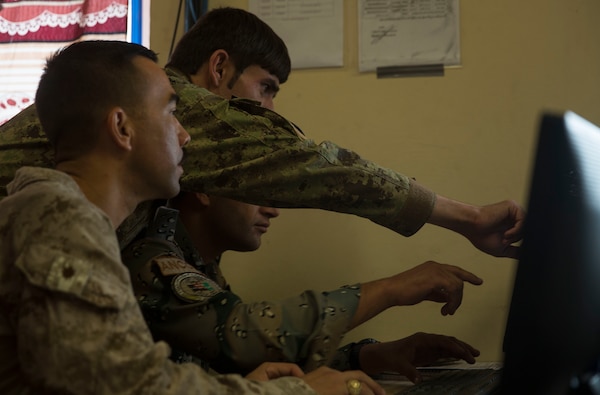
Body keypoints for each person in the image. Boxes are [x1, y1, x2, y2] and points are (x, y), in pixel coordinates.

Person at [0, 40, 385, 395]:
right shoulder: (59, 219)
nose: (185, 136)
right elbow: (132, 387)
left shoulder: (69, 220)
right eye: (171, 112)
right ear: (122, 128)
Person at [0, 8, 524, 262]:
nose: (269, 109)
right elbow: (306, 164)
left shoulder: (161, 158)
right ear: (220, 68)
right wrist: (467, 217)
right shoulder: (166, 107)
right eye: (267, 88)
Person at [125, 192, 482, 384]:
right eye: (256, 190)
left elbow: (240, 367)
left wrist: (368, 357)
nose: (272, 209)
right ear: (203, 190)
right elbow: (242, 334)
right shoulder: (151, 259)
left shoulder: (201, 266)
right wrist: (390, 290)